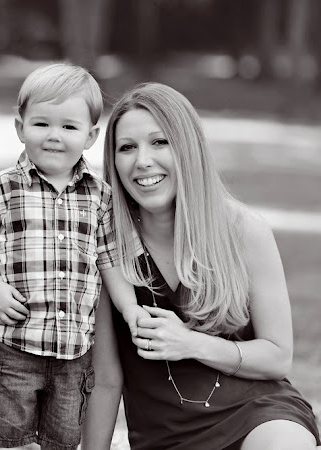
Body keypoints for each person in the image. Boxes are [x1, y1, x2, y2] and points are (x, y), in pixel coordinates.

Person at [82, 82, 321, 449]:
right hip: (165, 437)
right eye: (127, 147)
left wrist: (191, 343)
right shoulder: (106, 247)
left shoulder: (243, 230)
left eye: (160, 142)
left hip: (258, 415)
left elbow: (277, 357)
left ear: (188, 147)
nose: (142, 160)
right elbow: (106, 379)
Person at [0, 63, 147, 450]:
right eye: (41, 123)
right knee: (4, 438)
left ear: (90, 136)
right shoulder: (2, 188)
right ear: (20, 128)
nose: (54, 136)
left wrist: (130, 308)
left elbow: (109, 261)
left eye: (68, 127)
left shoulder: (100, 197)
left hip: (73, 353)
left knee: (61, 440)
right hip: (13, 343)